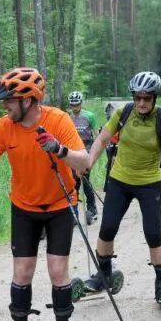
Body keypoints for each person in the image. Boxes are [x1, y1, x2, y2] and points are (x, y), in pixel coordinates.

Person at [0, 67, 90, 321]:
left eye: (9, 100)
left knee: (57, 270)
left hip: (60, 205)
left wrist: (58, 149)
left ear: (28, 100)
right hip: (24, 207)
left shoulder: (58, 120)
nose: (4, 105)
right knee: (22, 272)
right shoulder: (4, 127)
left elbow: (84, 162)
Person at [83, 72, 161, 309]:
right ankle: (105, 275)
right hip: (119, 180)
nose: (142, 103)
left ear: (155, 98)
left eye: (147, 98)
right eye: (138, 97)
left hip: (149, 182)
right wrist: (88, 162)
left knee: (153, 233)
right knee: (107, 228)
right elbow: (102, 140)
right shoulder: (124, 113)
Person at [67, 91, 98, 224]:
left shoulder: (89, 116)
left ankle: (92, 209)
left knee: (85, 182)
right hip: (73, 153)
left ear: (81, 103)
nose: (75, 107)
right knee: (73, 184)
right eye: (73, 105)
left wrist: (93, 154)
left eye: (77, 104)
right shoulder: (68, 117)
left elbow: (96, 136)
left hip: (87, 151)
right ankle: (74, 213)